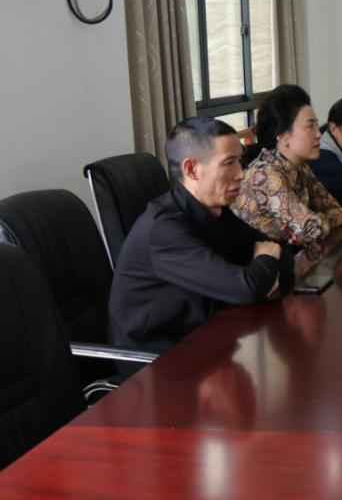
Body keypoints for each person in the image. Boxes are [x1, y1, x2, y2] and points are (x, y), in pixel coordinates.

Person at [108, 117, 293, 359]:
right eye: (229, 163)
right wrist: (265, 264)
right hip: (156, 361)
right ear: (191, 170)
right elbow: (246, 288)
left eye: (240, 161)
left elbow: (281, 252)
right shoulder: (163, 229)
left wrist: (265, 271)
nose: (241, 174)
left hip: (206, 337)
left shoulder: (215, 210)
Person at [232, 84, 342, 246]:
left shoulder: (301, 167)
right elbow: (312, 229)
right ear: (284, 137)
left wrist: (315, 220)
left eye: (316, 125)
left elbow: (338, 211)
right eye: (310, 126)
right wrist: (312, 221)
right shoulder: (265, 175)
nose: (319, 134)